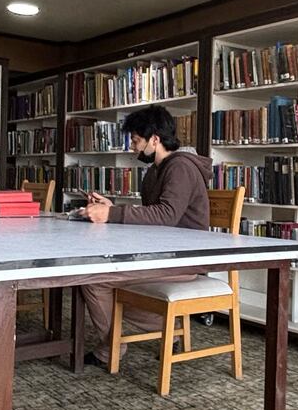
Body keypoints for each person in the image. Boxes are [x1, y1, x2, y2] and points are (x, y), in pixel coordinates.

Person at [73, 104, 210, 367]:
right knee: (93, 278)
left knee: (94, 282)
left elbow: (166, 215)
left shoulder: (180, 167)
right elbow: (152, 217)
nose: (133, 147)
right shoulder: (154, 171)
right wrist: (111, 208)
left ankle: (112, 348)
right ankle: (166, 327)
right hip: (161, 253)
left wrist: (110, 216)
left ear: (155, 140)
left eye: (136, 141)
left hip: (183, 259)